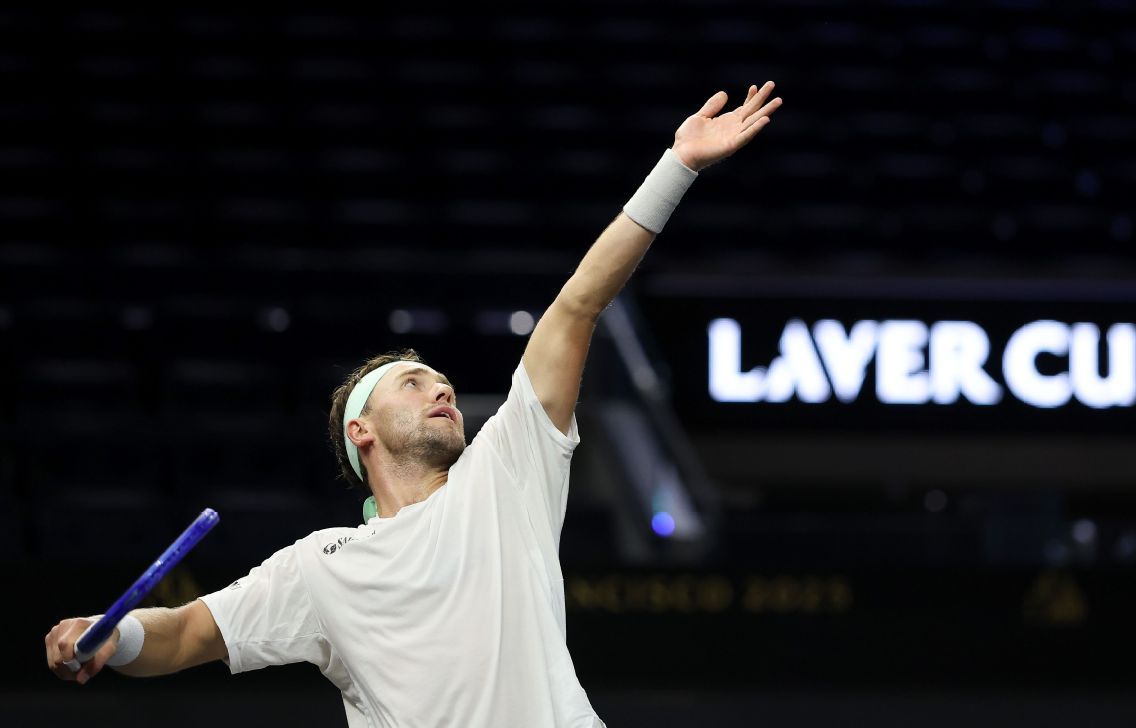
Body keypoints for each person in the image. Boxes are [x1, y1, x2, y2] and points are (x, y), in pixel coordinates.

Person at [44, 81, 783, 727]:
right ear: (360, 432)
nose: (441, 389)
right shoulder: (319, 567)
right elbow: (182, 634)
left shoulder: (506, 475)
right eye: (412, 382)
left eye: (441, 382)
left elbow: (575, 308)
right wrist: (113, 638)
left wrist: (675, 167)